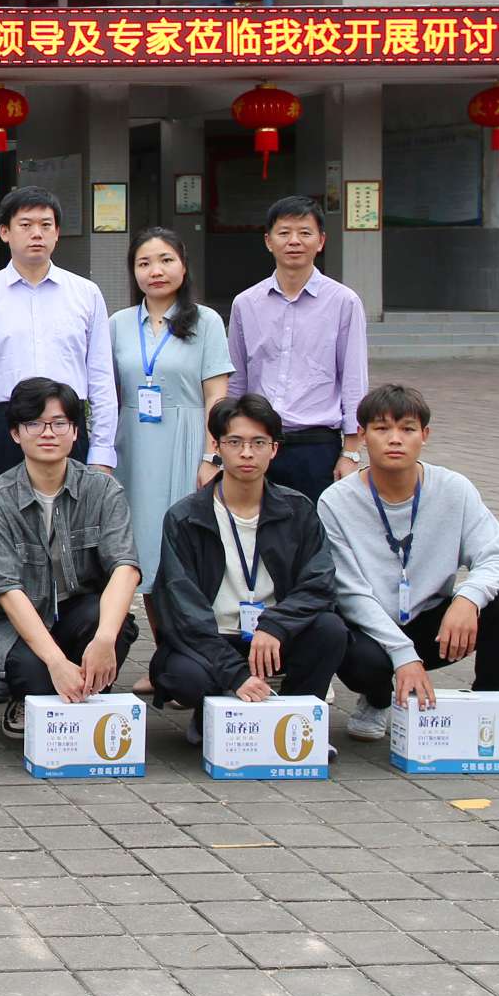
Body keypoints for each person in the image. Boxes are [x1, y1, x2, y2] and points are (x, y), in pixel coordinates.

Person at [320, 383, 499, 766]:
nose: (395, 440)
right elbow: (351, 593)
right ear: (362, 437)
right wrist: (404, 656)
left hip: (432, 621)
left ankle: (493, 716)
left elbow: (497, 559)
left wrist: (467, 598)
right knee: (361, 657)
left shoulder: (454, 489)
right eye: (381, 429)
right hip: (370, 628)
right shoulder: (336, 501)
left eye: (407, 429)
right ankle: (376, 700)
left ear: (424, 436)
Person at [146, 395, 348, 740]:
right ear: (217, 446)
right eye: (235, 442)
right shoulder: (186, 516)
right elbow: (181, 607)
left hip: (273, 636)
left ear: (275, 449)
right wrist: (234, 673)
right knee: (179, 673)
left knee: (330, 630)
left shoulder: (297, 509)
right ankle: (217, 712)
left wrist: (276, 625)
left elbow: (320, 583)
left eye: (258, 443)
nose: (246, 453)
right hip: (213, 639)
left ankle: (296, 720)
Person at [0, 378, 140, 740]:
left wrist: (105, 639)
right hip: (16, 625)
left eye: (59, 423)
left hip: (75, 614)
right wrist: (57, 662)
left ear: (75, 432)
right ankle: (30, 696)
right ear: (16, 434)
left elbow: (125, 568)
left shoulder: (102, 489)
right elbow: (7, 593)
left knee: (111, 621)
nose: (48, 432)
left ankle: (86, 693)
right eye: (34, 423)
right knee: (37, 678)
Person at [112, 227, 233, 687]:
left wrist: (211, 455)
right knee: (143, 550)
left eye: (165, 260)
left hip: (187, 442)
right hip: (134, 447)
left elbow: (216, 395)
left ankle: (197, 655)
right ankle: (165, 658)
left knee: (186, 552)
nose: (155, 271)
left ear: (183, 265)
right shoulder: (118, 323)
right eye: (144, 263)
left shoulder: (206, 322)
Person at [0, 186, 117, 500]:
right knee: (7, 530)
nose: (36, 234)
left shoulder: (86, 294)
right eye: (25, 225)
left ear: (57, 233)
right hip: (3, 429)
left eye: (46, 225)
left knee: (73, 530)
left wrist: (101, 450)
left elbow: (101, 378)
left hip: (67, 425)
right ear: (5, 232)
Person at [228, 196, 371, 500]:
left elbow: (353, 380)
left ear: (321, 241)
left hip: (316, 447)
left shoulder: (344, 302)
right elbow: (236, 380)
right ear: (268, 241)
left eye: (305, 233)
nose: (294, 241)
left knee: (314, 536)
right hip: (257, 443)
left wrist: (352, 452)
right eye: (284, 232)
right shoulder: (246, 304)